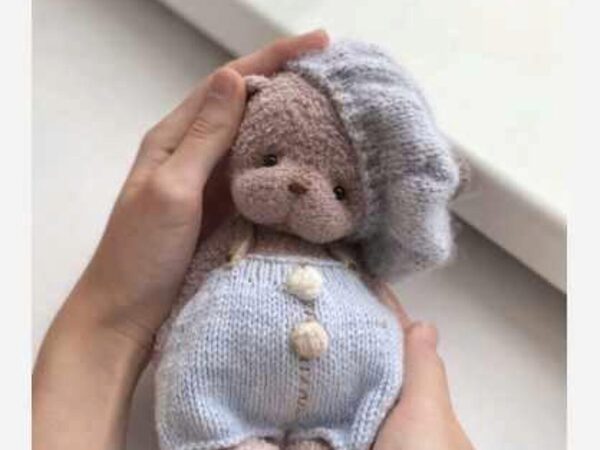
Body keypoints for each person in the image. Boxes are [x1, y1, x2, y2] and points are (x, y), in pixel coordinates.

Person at [32, 30, 474, 450]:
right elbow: (191, 292)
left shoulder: (352, 263)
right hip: (225, 391)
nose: (299, 184)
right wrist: (137, 323)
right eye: (270, 158)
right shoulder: (231, 241)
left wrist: (112, 321)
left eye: (339, 191)